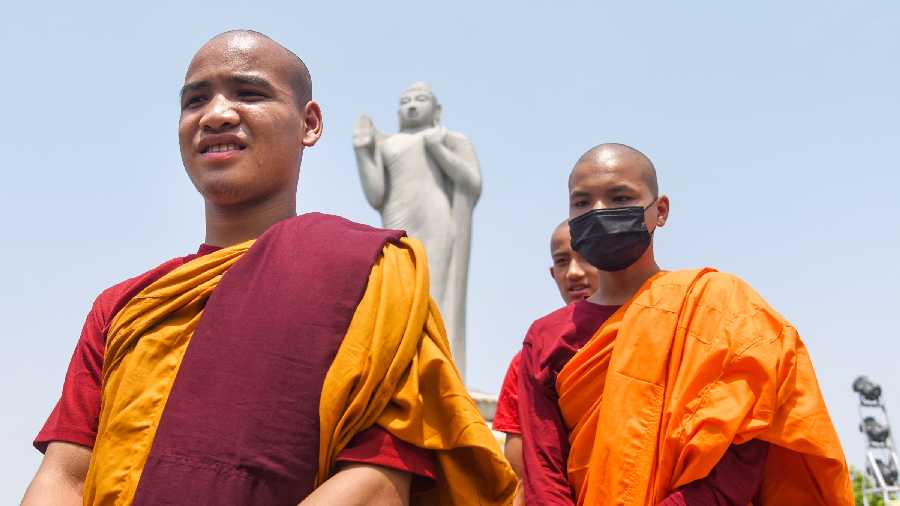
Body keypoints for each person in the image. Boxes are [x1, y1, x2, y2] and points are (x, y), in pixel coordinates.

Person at [22, 30, 515, 506]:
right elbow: (65, 475)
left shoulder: (371, 273)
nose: (215, 115)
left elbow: (379, 480)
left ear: (310, 123)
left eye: (249, 92)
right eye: (195, 101)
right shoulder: (127, 306)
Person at [518, 143, 853, 505]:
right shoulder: (547, 337)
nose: (599, 212)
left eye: (619, 198)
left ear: (659, 211)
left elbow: (743, 451)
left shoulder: (720, 307)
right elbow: (542, 469)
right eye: (582, 202)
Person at [493, 220, 600, 478]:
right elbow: (519, 460)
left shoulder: (640, 337)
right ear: (553, 274)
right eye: (562, 261)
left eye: (586, 257)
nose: (573, 272)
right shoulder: (531, 358)